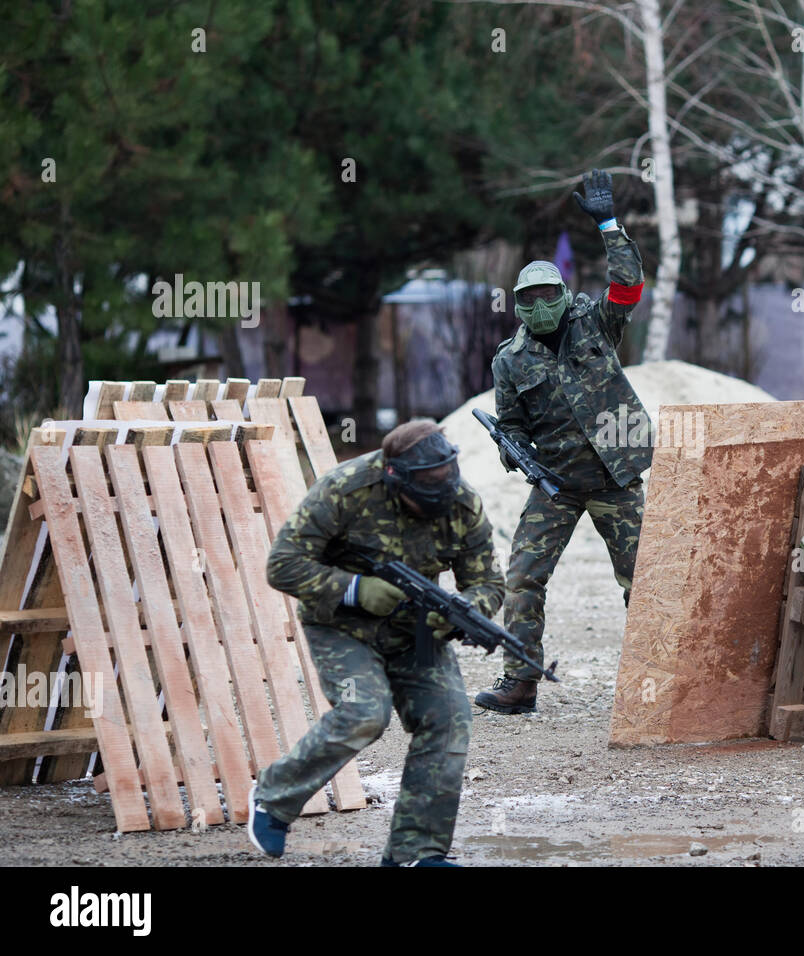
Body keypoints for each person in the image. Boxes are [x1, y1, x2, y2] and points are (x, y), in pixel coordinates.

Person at [247, 419, 504, 866]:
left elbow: (487, 582)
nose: (438, 496)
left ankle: (415, 853)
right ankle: (273, 797)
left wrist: (465, 612)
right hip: (341, 625)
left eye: (444, 484)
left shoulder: (461, 502)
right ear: (394, 477)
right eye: (425, 489)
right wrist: (354, 588)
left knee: (448, 718)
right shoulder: (344, 490)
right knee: (365, 713)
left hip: (417, 629)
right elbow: (282, 565)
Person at [474, 168, 650, 715]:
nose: (541, 303)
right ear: (519, 304)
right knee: (524, 576)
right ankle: (520, 681)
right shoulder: (510, 357)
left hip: (614, 477)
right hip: (555, 486)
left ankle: (657, 681)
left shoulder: (596, 322)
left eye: (549, 293)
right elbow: (512, 421)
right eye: (530, 297)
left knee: (644, 580)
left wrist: (609, 225)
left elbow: (629, 286)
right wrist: (513, 450)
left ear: (564, 292)